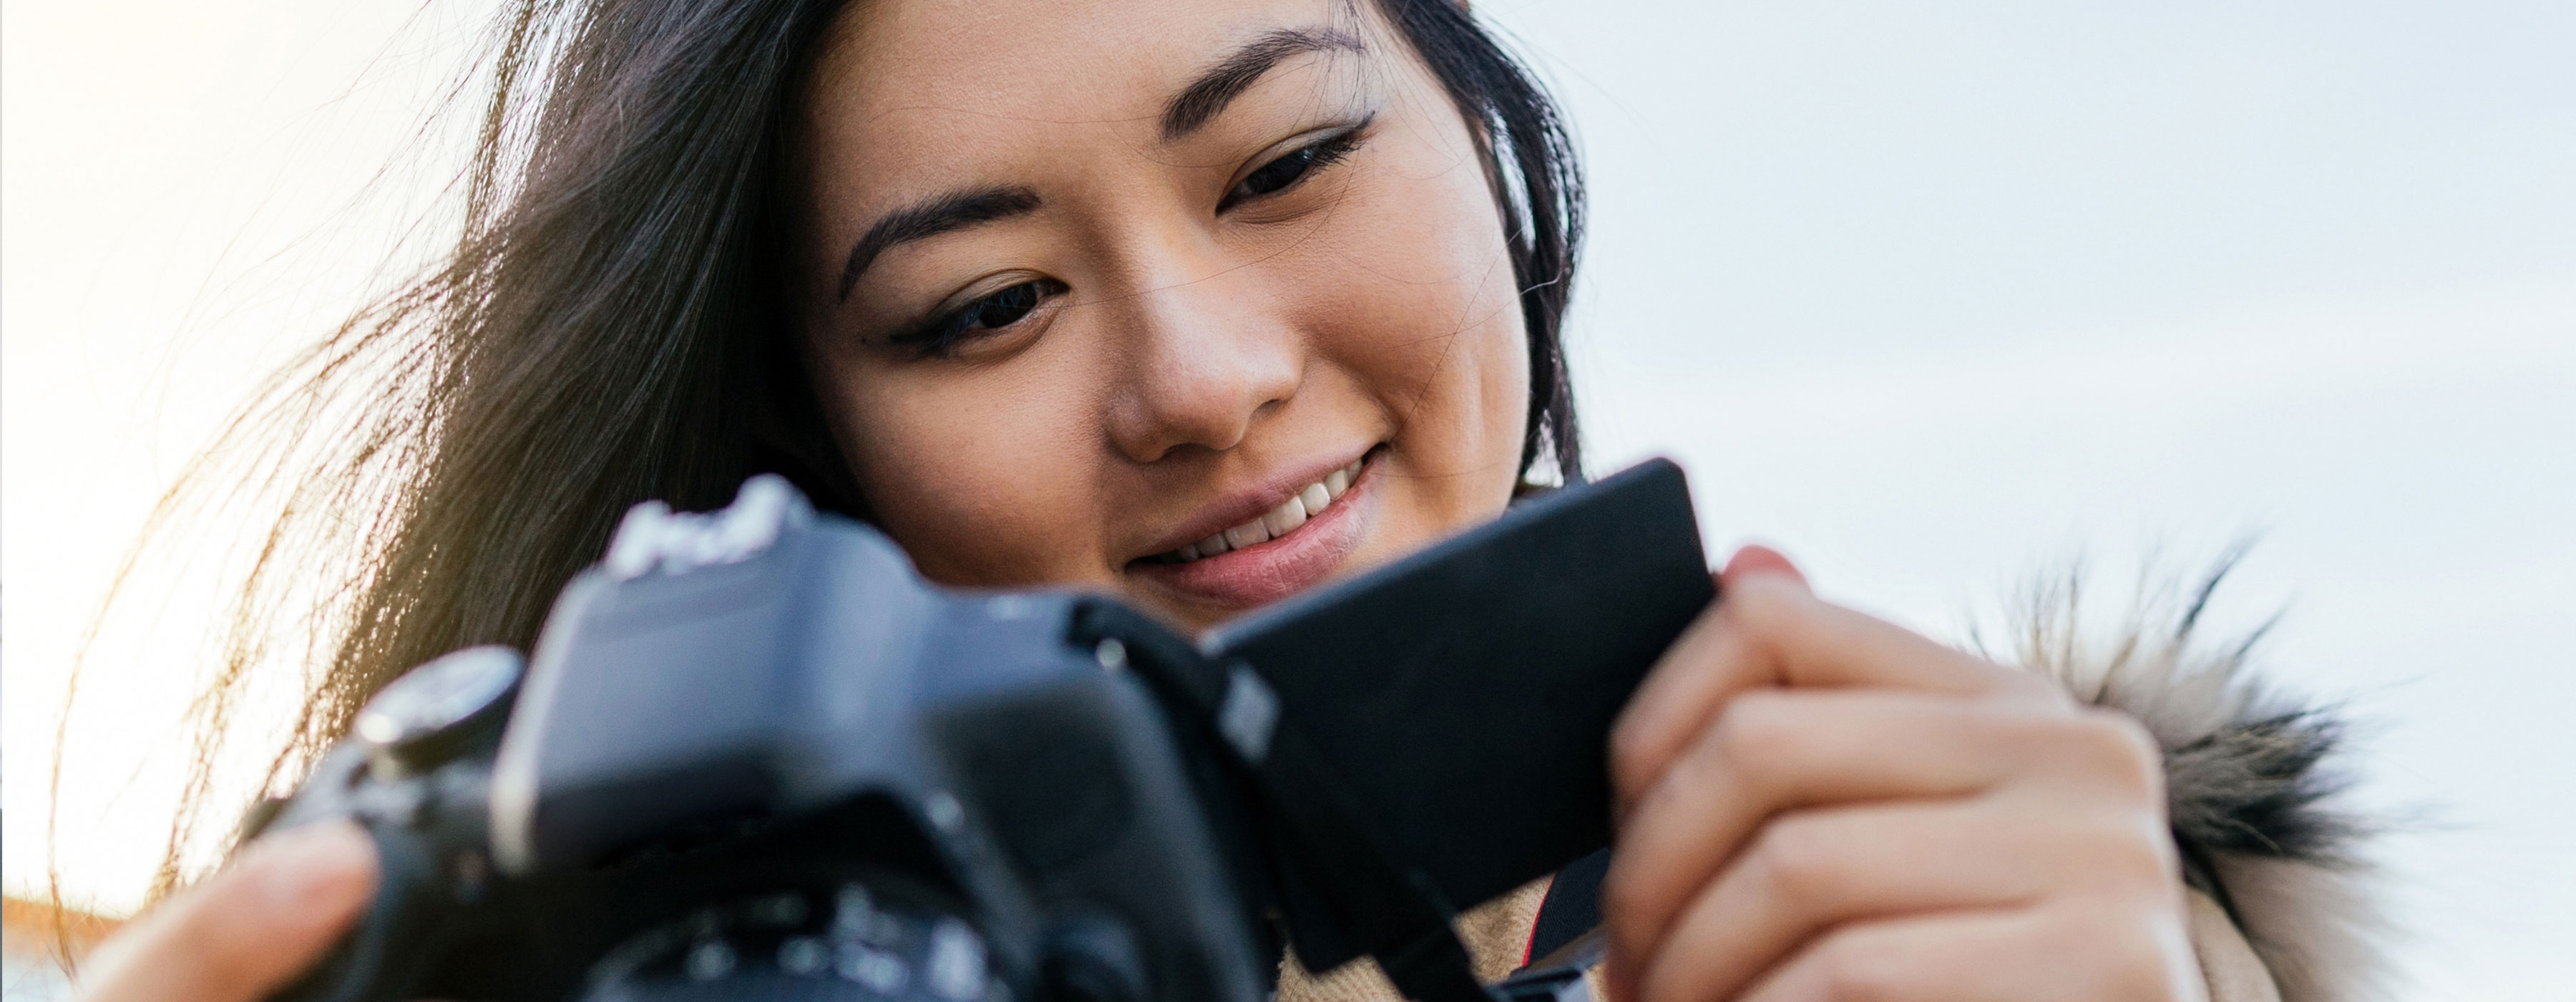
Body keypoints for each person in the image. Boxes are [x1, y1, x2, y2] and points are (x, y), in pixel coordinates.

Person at [72, 1, 2379, 1000]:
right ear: (806, 458)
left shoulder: (2048, 920)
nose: (1199, 376)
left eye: (1286, 163)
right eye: (985, 308)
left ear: (1485, 147)